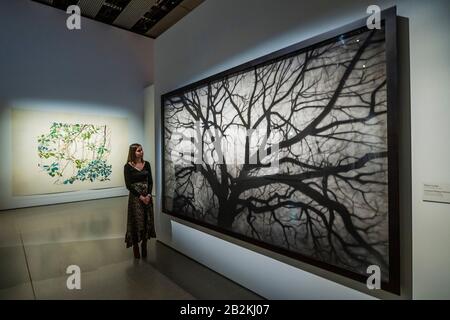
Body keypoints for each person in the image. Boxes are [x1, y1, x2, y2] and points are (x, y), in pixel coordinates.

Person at [124, 143, 156, 259]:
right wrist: (140, 197)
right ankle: (136, 246)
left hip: (147, 198)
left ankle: (144, 244)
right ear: (133, 153)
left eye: (141, 150)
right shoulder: (127, 167)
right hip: (136, 199)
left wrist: (148, 195)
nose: (141, 152)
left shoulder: (146, 164)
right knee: (137, 222)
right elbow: (128, 185)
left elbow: (150, 181)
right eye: (138, 151)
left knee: (146, 220)